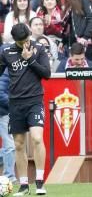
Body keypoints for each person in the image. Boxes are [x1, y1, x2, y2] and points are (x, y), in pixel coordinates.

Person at [0, 23, 51, 196]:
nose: (25, 43)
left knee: (37, 138)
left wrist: (30, 59)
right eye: (21, 42)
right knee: (19, 144)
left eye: (27, 39)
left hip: (35, 100)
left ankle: (39, 182)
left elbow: (47, 73)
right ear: (15, 40)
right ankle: (23, 185)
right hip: (15, 103)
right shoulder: (6, 52)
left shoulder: (39, 48)